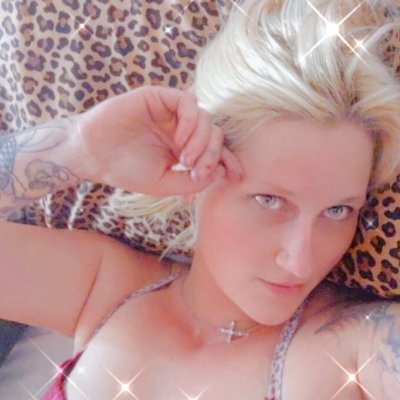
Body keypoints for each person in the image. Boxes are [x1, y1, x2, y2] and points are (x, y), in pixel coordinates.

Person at [1, 0, 399, 398]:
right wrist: (77, 148)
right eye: (268, 200)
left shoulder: (357, 345)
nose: (300, 261)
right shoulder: (104, 287)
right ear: (195, 170)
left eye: (337, 210)